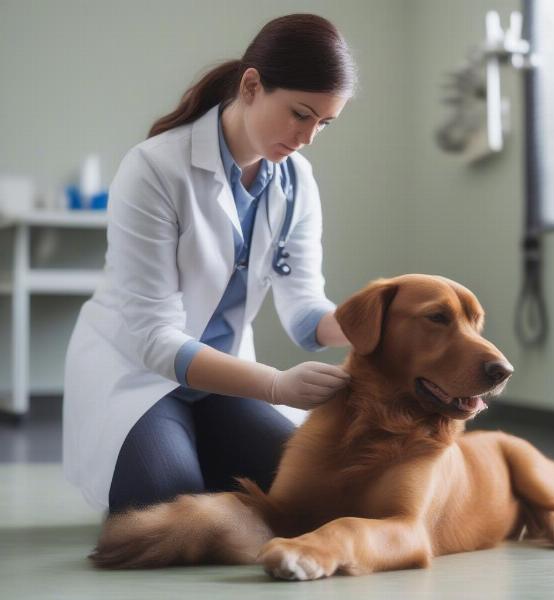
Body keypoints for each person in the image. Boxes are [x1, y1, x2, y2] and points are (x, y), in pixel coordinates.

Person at [62, 13, 357, 514]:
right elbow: (154, 339)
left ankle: (203, 446)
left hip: (224, 383)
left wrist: (379, 329)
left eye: (323, 124)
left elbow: (305, 310)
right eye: (300, 114)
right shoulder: (154, 167)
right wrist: (276, 384)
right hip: (139, 376)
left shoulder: (295, 181)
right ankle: (180, 450)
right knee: (164, 501)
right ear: (251, 85)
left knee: (317, 487)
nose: (307, 137)